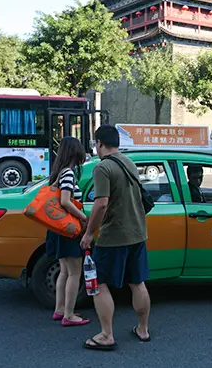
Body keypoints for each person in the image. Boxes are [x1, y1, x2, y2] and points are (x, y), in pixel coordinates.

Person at [80, 125, 151, 351]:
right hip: (137, 232)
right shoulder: (128, 162)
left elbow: (101, 203)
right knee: (137, 282)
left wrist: (89, 233)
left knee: (99, 284)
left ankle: (106, 334)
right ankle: (143, 329)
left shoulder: (103, 167)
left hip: (114, 236)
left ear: (99, 143)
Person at [45, 136, 91, 326]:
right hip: (68, 230)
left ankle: (60, 309)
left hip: (58, 230)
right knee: (74, 273)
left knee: (64, 271)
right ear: (75, 152)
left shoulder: (58, 172)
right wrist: (83, 217)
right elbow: (65, 201)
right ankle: (69, 315)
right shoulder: (69, 174)